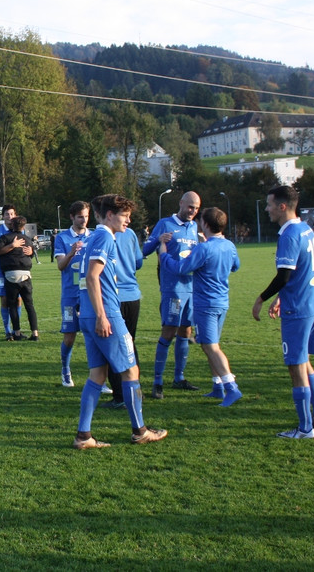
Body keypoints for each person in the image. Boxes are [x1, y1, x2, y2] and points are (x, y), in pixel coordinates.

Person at [74, 194, 167, 448]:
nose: (128, 220)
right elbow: (93, 277)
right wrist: (103, 316)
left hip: (90, 313)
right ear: (110, 215)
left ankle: (84, 436)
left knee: (98, 374)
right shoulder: (104, 236)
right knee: (130, 370)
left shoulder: (94, 237)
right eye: (125, 216)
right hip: (106, 315)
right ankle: (140, 431)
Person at [252, 185, 314, 439]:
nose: (267, 208)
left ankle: (305, 428)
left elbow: (284, 276)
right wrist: (281, 299)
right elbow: (302, 271)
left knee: (296, 367)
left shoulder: (289, 234)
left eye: (269, 204)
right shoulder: (306, 228)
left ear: (282, 206)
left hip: (299, 309)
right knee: (305, 361)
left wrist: (262, 298)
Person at [160, 207, 243, 406]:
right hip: (222, 301)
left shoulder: (203, 248)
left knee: (210, 346)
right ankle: (218, 386)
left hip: (206, 303)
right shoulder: (229, 245)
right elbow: (235, 266)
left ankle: (232, 388)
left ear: (205, 224)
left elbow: (180, 268)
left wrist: (163, 251)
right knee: (209, 344)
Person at [143, 191, 202, 398]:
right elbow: (145, 250)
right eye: (190, 207)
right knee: (168, 332)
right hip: (173, 289)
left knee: (185, 332)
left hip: (191, 288)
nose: (192, 212)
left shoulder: (194, 227)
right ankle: (157, 382)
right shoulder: (165, 224)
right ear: (181, 203)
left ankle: (179, 377)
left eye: (196, 208)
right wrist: (157, 240)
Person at [108, 216, 145, 408]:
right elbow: (138, 262)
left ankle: (120, 396)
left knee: (113, 347)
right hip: (133, 296)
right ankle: (136, 391)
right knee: (130, 344)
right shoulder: (130, 234)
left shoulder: (102, 236)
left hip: (114, 297)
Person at [54, 201, 91, 387]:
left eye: (86, 216)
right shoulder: (62, 238)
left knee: (95, 335)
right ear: (72, 217)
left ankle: (98, 377)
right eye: (80, 217)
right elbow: (61, 266)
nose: (84, 220)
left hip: (90, 293)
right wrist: (70, 253)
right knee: (69, 336)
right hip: (70, 294)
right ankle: (65, 370)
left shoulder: (94, 237)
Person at [0, 215, 40, 341]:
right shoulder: (27, 239)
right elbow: (30, 253)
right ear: (23, 227)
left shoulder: (6, 237)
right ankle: (35, 333)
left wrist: (11, 246)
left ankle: (16, 332)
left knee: (11, 304)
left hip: (11, 275)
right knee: (29, 305)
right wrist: (32, 252)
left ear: (12, 225)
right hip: (26, 275)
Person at [0, 205, 23, 340]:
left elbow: (25, 247)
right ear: (3, 216)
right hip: (1, 271)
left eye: (12, 214)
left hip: (17, 270)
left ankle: (17, 330)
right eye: (7, 214)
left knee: (18, 300)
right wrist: (12, 246)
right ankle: (7, 331)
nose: (10, 217)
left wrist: (31, 251)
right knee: (4, 300)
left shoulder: (21, 231)